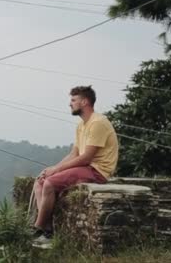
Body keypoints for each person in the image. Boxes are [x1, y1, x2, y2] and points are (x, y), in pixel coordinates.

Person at [32, 85, 119, 248]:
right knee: (40, 182)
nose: (70, 104)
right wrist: (52, 169)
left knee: (49, 184)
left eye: (73, 100)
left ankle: (37, 229)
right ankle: (48, 230)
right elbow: (74, 154)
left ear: (85, 102)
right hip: (86, 167)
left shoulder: (98, 122)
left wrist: (56, 171)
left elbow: (86, 158)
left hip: (97, 171)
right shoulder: (82, 125)